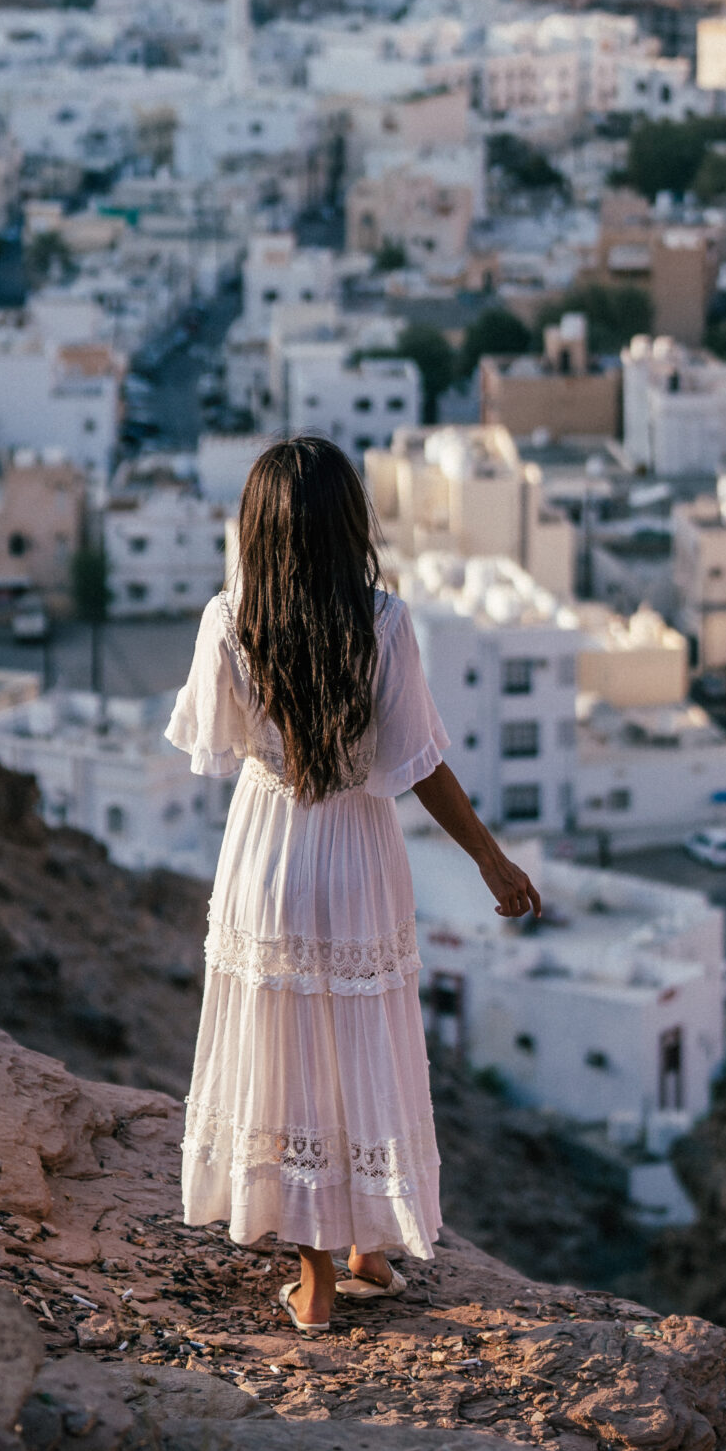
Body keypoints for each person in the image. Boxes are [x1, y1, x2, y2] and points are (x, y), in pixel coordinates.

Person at [166, 435, 540, 1332]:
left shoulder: (229, 620)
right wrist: (490, 856)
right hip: (358, 851)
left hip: (267, 848)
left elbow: (211, 748)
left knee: (290, 1049)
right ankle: (371, 1248)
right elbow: (417, 764)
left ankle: (323, 1276)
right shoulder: (384, 622)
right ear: (349, 527)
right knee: (365, 1038)